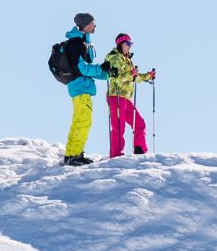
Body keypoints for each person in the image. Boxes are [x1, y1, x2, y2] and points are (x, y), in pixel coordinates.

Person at [60, 13, 109, 166]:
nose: (95, 26)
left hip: (79, 86)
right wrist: (101, 68)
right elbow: (83, 69)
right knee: (84, 121)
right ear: (86, 25)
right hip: (81, 87)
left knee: (78, 121)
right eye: (93, 23)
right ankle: (75, 155)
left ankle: (71, 154)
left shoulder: (79, 42)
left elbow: (86, 70)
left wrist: (106, 73)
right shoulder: (78, 44)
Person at [102, 33, 156, 158]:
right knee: (119, 127)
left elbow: (134, 78)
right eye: (128, 44)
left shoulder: (127, 59)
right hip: (116, 96)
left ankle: (139, 150)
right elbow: (117, 78)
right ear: (121, 44)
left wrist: (148, 76)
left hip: (126, 98)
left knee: (140, 123)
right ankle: (116, 155)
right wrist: (131, 73)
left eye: (131, 44)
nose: (130, 46)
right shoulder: (115, 58)